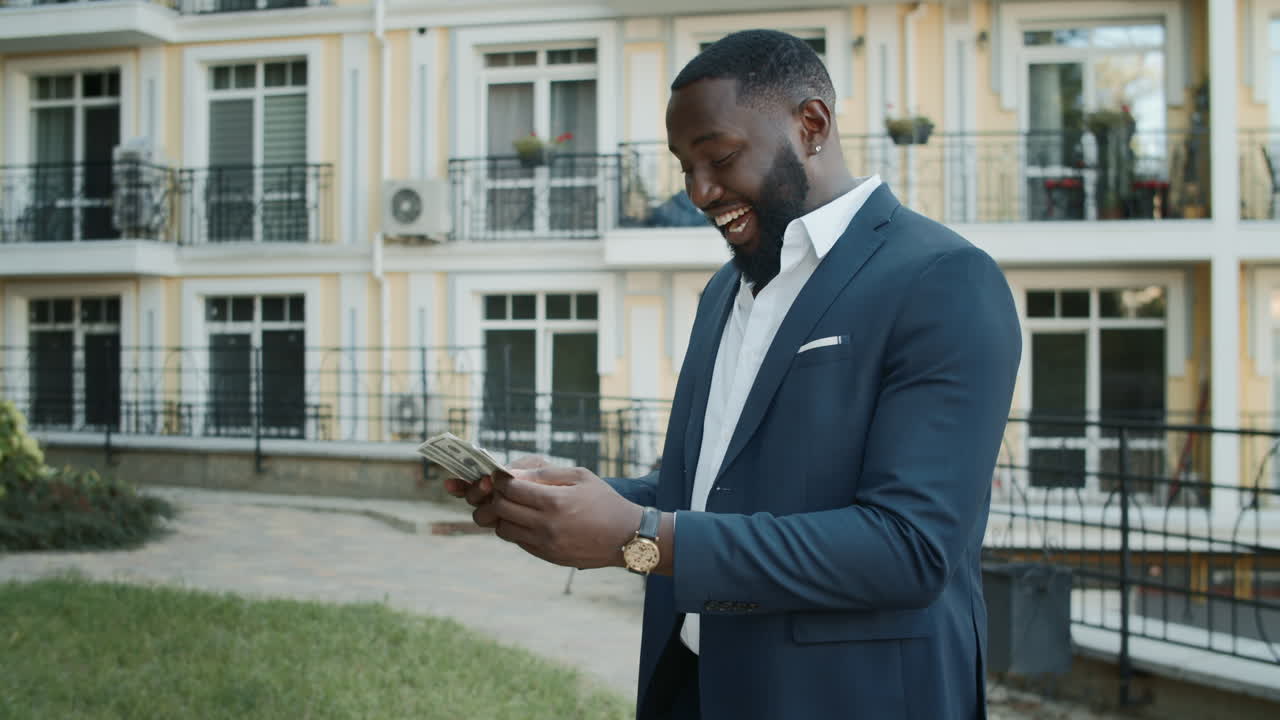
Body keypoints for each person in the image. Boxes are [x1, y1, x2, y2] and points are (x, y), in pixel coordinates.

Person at [444, 29, 1022, 720]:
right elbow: (702, 487)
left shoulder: (943, 279)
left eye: (717, 157)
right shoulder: (727, 289)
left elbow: (908, 547)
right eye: (684, 167)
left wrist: (638, 538)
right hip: (697, 684)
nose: (698, 190)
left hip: (851, 697)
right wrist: (563, 501)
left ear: (811, 125)